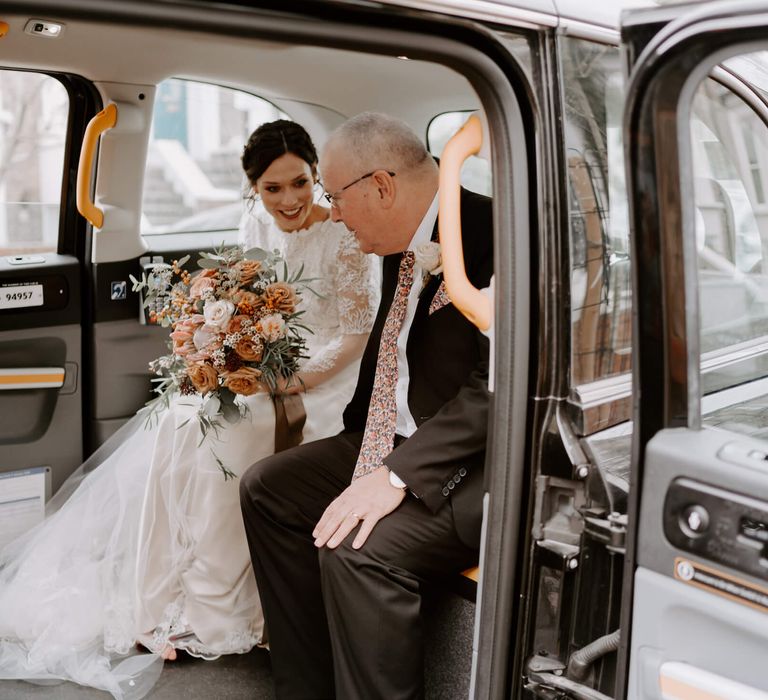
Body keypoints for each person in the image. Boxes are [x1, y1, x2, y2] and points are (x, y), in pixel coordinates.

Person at [0, 120, 379, 699]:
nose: (289, 200)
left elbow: (352, 337)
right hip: (262, 370)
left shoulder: (345, 238)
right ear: (253, 189)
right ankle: (162, 595)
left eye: (300, 183)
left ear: (317, 177)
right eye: (272, 189)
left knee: (228, 434)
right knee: (182, 418)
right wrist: (222, 351)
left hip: (326, 382)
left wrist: (285, 382)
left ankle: (220, 610)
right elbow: (234, 297)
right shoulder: (255, 221)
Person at [240, 112, 493, 699]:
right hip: (386, 437)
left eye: (332, 194)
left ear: (380, 186)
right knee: (267, 489)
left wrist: (397, 475)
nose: (332, 211)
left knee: (356, 550)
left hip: (469, 464)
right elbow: (392, 351)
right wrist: (363, 453)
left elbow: (495, 388)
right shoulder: (395, 239)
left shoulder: (496, 234)